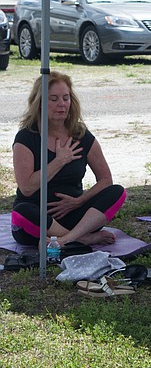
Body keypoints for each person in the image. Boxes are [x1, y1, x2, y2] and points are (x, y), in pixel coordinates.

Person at [11, 72, 126, 247]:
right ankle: (82, 239)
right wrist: (59, 161)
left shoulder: (81, 135)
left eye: (66, 98)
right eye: (54, 99)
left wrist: (80, 201)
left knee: (117, 191)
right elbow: (26, 188)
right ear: (40, 102)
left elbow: (106, 180)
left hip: (75, 217)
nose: (61, 105)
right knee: (21, 213)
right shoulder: (27, 137)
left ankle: (67, 239)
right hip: (40, 219)